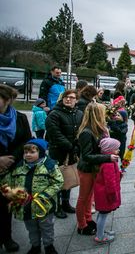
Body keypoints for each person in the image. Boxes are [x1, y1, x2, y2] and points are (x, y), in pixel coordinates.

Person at [2, 139, 63, 254]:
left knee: (47, 228)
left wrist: (44, 195)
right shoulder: (19, 167)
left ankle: (49, 246)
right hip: (26, 207)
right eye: (26, 152)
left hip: (44, 207)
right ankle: (35, 246)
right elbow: (9, 182)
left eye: (32, 152)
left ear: (40, 152)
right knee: (31, 229)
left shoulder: (49, 166)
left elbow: (58, 182)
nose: (28, 155)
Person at [76, 103, 119, 236]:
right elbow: (87, 156)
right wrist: (107, 158)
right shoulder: (86, 132)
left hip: (93, 168)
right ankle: (81, 225)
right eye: (103, 112)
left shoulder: (96, 129)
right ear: (96, 114)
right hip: (86, 169)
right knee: (83, 198)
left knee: (90, 197)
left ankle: (88, 219)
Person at [0, 85, 32, 252]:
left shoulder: (19, 118)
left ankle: (6, 237)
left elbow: (26, 140)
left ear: (7, 100)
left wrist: (11, 158)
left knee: (6, 206)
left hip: (11, 168)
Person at [45, 89, 83, 219]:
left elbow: (81, 131)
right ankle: (57, 206)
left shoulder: (79, 113)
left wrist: (77, 147)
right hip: (58, 152)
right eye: (66, 97)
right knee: (57, 180)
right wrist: (70, 146)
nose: (68, 99)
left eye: (72, 98)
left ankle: (66, 203)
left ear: (76, 100)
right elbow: (54, 133)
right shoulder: (54, 114)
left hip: (72, 153)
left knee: (68, 178)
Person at [93, 137, 122, 244]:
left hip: (103, 193)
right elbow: (110, 182)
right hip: (105, 194)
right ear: (109, 150)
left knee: (102, 213)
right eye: (116, 148)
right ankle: (100, 236)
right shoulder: (108, 164)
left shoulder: (108, 161)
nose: (118, 150)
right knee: (103, 214)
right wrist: (113, 194)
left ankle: (100, 231)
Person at [108, 96, 128, 160]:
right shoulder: (113, 122)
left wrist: (113, 125)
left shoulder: (124, 125)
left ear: (123, 118)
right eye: (115, 115)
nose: (116, 116)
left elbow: (121, 132)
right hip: (113, 145)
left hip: (121, 145)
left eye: (118, 115)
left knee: (121, 155)